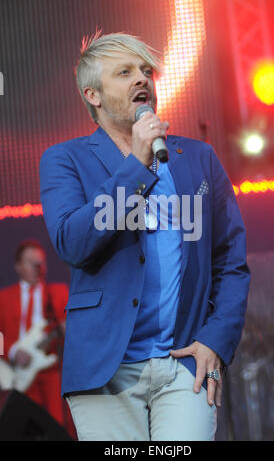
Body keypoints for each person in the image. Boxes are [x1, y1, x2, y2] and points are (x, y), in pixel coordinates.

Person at [39, 31, 250, 441]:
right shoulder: (65, 159)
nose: (141, 79)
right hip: (105, 371)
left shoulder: (199, 159)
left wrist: (216, 341)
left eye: (145, 70)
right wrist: (137, 164)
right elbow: (73, 243)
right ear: (94, 95)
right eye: (124, 72)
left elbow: (231, 262)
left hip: (185, 364)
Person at [0, 239, 69, 427]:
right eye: (31, 262)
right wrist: (13, 351)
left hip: (50, 370)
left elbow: (74, 329)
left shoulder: (58, 292)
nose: (38, 267)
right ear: (18, 266)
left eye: (41, 262)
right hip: (15, 372)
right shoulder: (3, 297)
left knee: (55, 426)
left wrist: (67, 330)